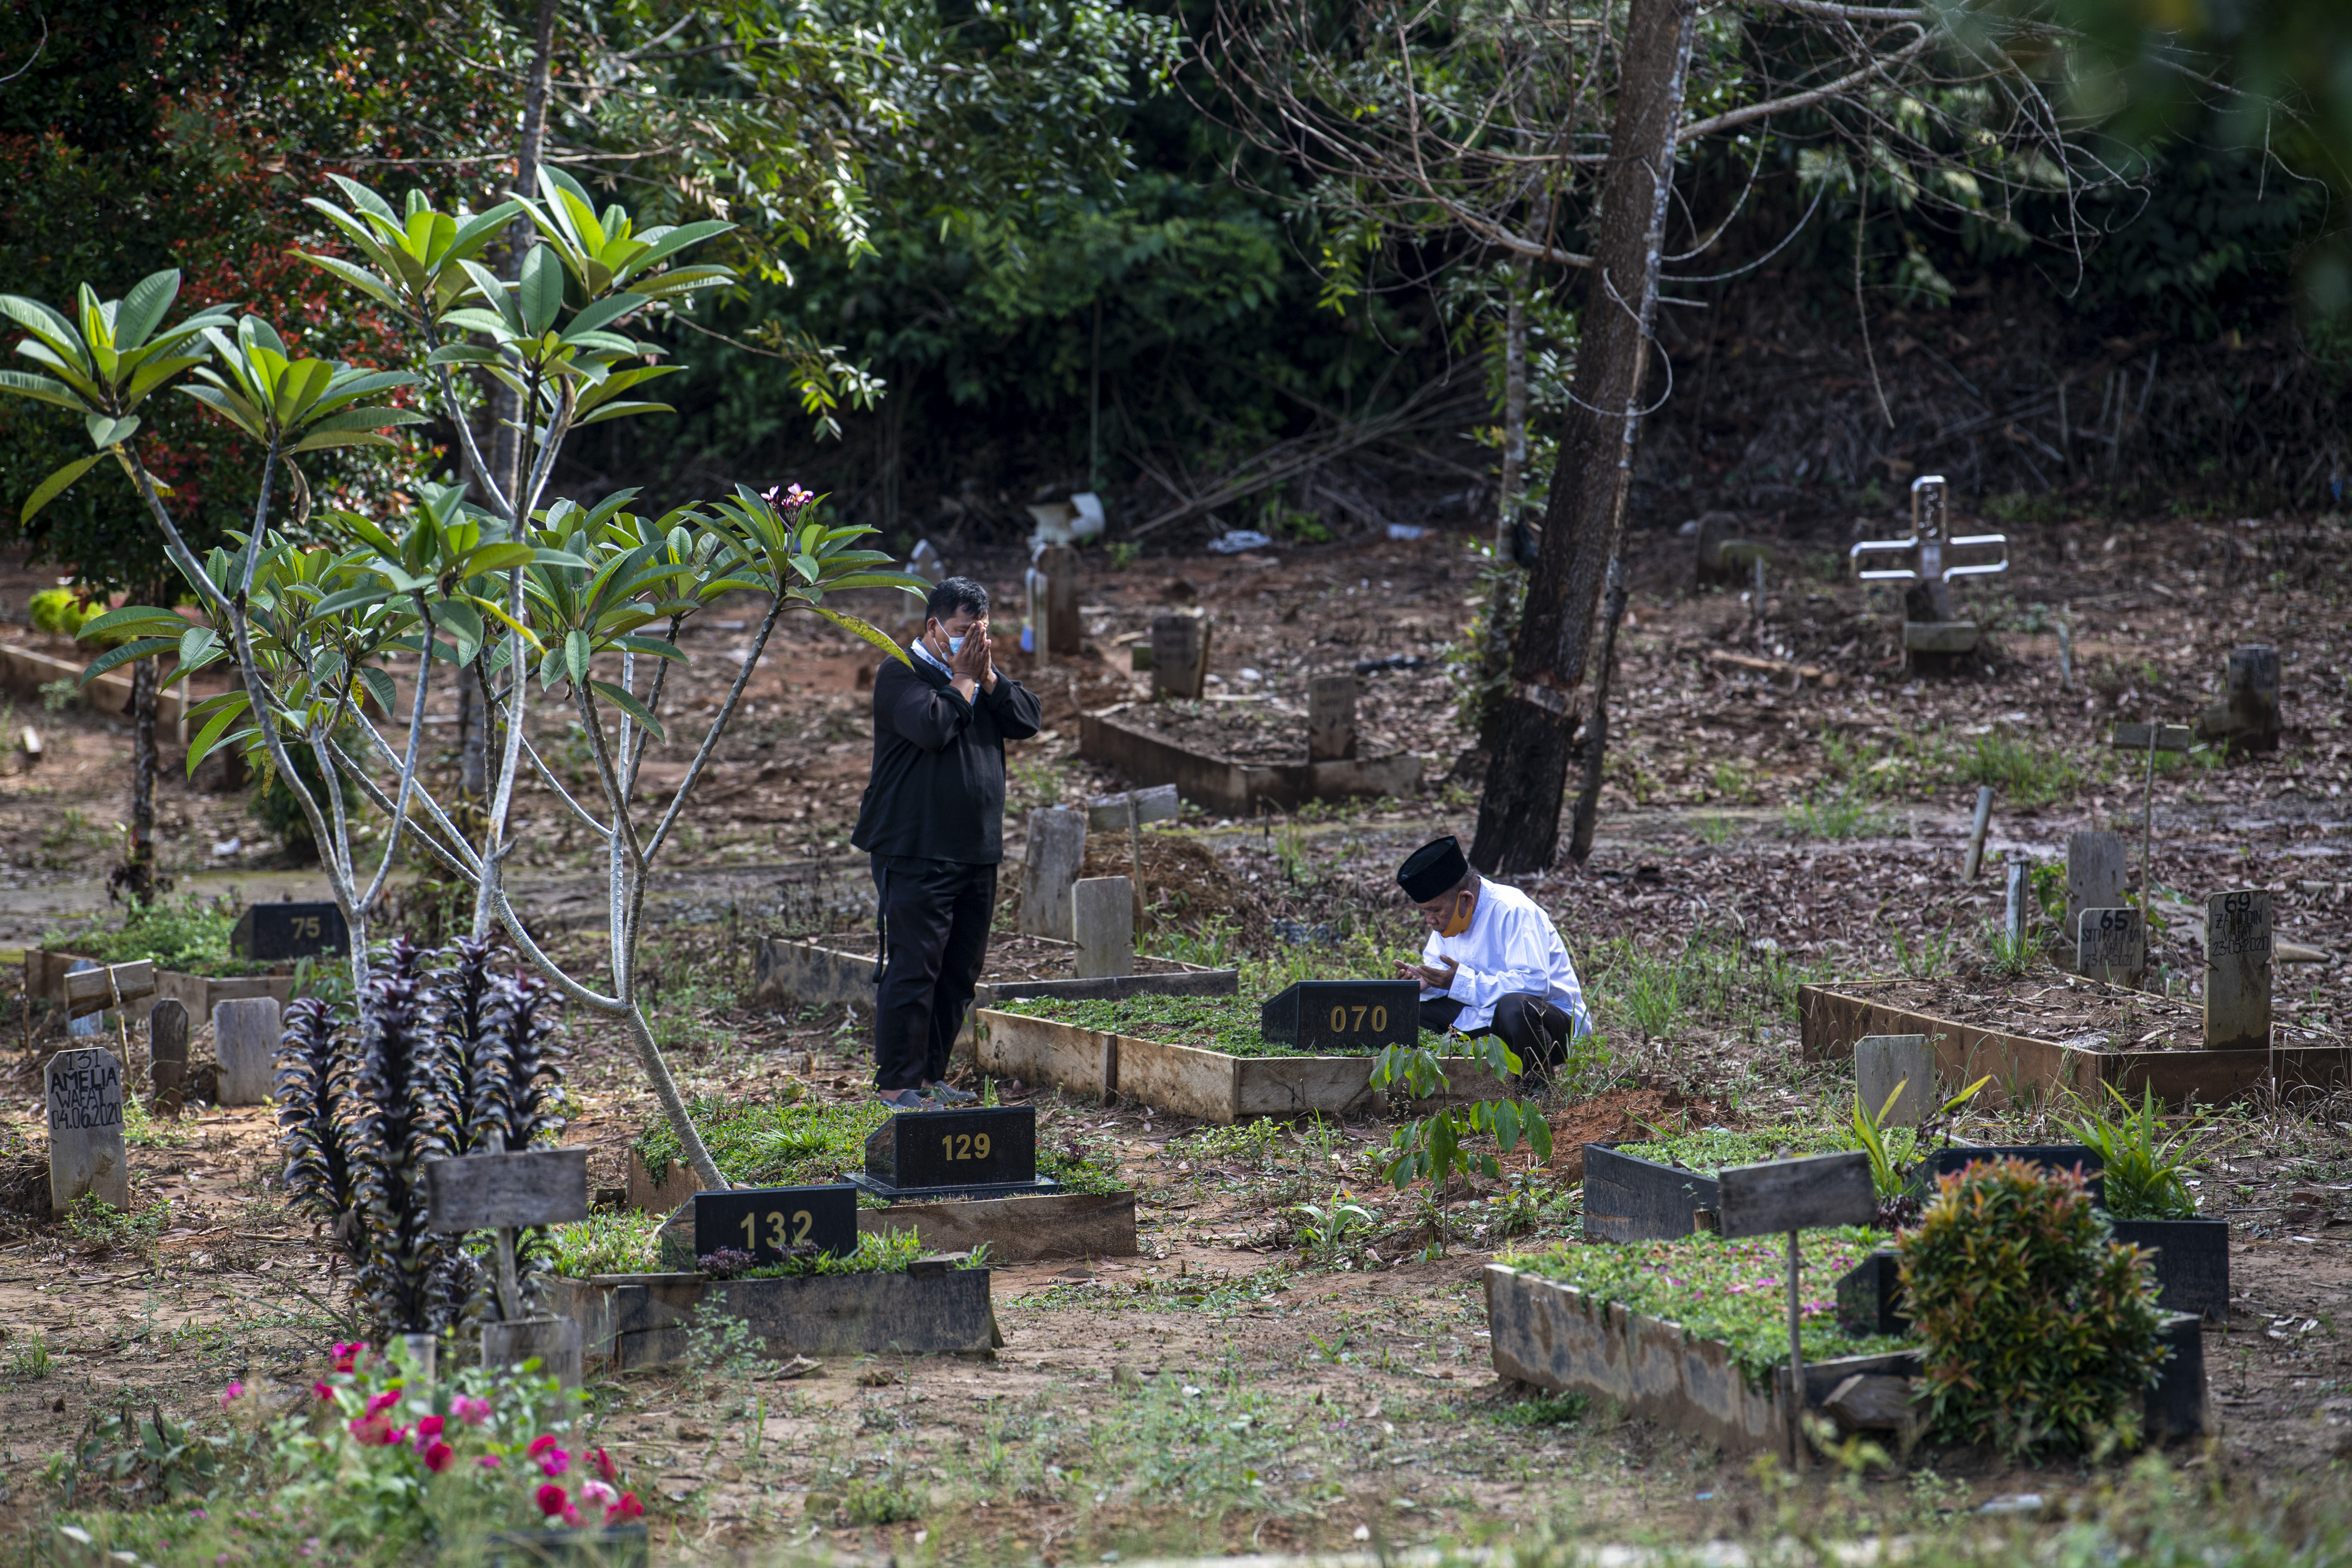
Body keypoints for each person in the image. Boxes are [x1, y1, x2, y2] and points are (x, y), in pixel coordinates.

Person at [850, 576, 1043, 1108]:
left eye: (980, 631)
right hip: (913, 847)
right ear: (933, 627)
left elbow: (1028, 718)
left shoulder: (980, 676)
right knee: (916, 966)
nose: (972, 642)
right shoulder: (899, 672)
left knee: (959, 971)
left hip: (975, 849)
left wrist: (988, 677)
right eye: (962, 631)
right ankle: (896, 1083)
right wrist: (963, 680)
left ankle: (930, 1076)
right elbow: (934, 726)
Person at [1391, 834, 1592, 1076]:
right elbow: (1444, 972)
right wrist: (1426, 981)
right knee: (1410, 1011)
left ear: (1466, 898)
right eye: (1424, 912)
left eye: (1434, 911)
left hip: (1553, 1027)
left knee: (1514, 1007)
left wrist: (1459, 982)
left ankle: (1537, 1085)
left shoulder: (1513, 910)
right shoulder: (1450, 918)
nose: (1430, 920)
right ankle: (1455, 1081)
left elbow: (1534, 984)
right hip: (1484, 1018)